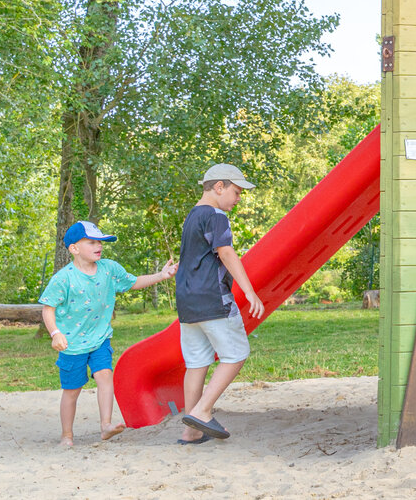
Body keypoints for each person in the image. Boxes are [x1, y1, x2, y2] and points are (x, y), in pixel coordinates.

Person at [39, 220, 177, 446]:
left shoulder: (109, 268)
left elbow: (132, 282)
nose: (98, 246)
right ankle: (67, 436)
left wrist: (161, 276)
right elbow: (48, 308)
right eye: (92, 242)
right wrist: (55, 333)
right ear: (74, 248)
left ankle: (105, 426)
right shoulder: (64, 278)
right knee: (72, 391)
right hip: (71, 344)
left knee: (104, 376)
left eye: (100, 242)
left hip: (100, 338)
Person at [176, 163, 265, 444]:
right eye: (236, 192)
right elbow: (225, 252)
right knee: (236, 353)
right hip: (213, 298)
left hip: (188, 301)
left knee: (197, 363)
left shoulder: (192, 215)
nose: (238, 199)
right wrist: (249, 291)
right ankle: (202, 411)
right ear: (219, 187)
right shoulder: (215, 215)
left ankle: (191, 431)